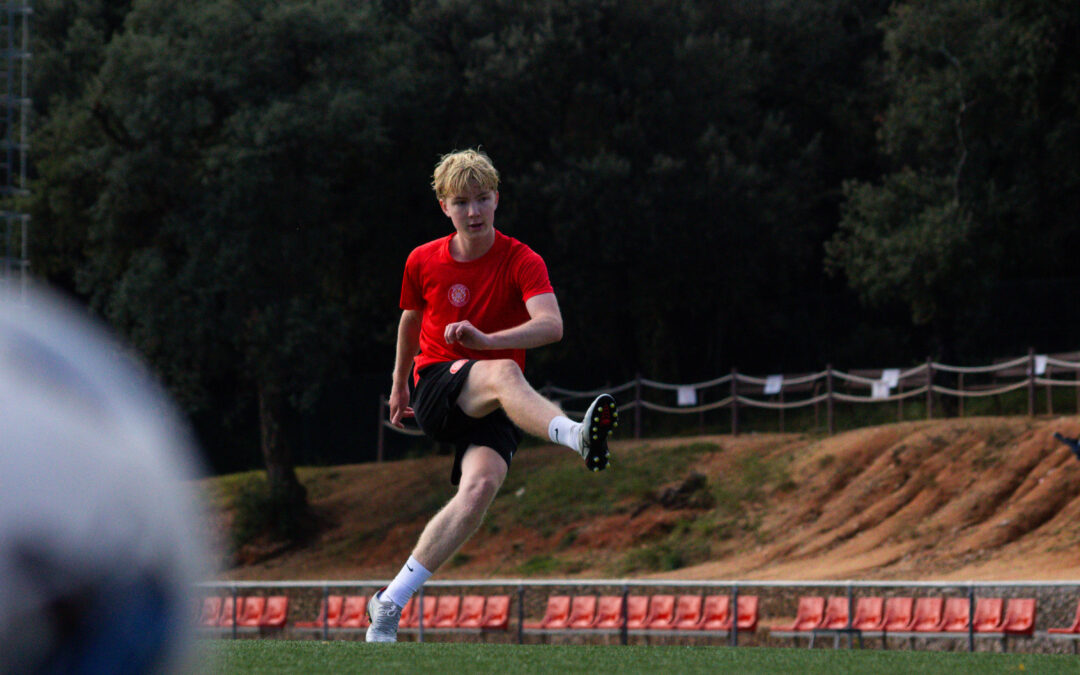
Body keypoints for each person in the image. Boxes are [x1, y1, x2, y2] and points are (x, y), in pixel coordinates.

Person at [366, 149, 618, 642]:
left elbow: (552, 326)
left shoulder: (523, 259)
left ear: (497, 198)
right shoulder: (421, 259)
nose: (474, 212)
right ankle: (576, 436)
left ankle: (389, 602)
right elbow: (410, 320)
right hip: (438, 385)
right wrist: (399, 385)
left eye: (483, 199)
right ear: (444, 207)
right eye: (462, 203)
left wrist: (486, 341)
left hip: (495, 398)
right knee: (502, 371)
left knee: (478, 492)